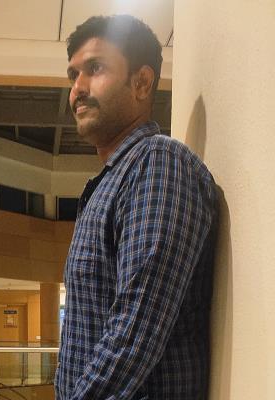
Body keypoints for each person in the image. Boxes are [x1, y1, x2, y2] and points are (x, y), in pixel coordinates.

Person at [54, 15, 218, 400]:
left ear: (142, 82)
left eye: (95, 69)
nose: (77, 89)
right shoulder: (113, 179)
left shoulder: (158, 163)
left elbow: (133, 336)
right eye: (73, 75)